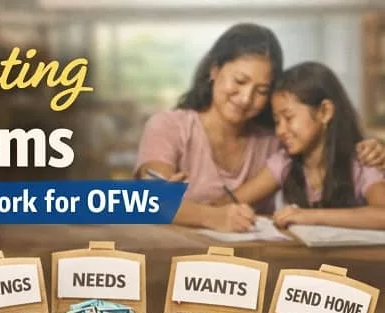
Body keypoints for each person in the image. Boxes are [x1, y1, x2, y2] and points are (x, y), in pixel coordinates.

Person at [134, 23, 385, 232]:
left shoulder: (276, 141)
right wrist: (211, 216)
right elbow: (151, 200)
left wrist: (373, 148)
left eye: (262, 91)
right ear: (214, 70)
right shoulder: (169, 126)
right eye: (240, 81)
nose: (245, 98)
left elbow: (323, 141)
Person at [219, 61, 385, 229]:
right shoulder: (285, 163)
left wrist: (309, 216)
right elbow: (226, 204)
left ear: (324, 112)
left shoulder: (361, 161)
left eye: (289, 117)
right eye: (277, 121)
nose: (280, 131)